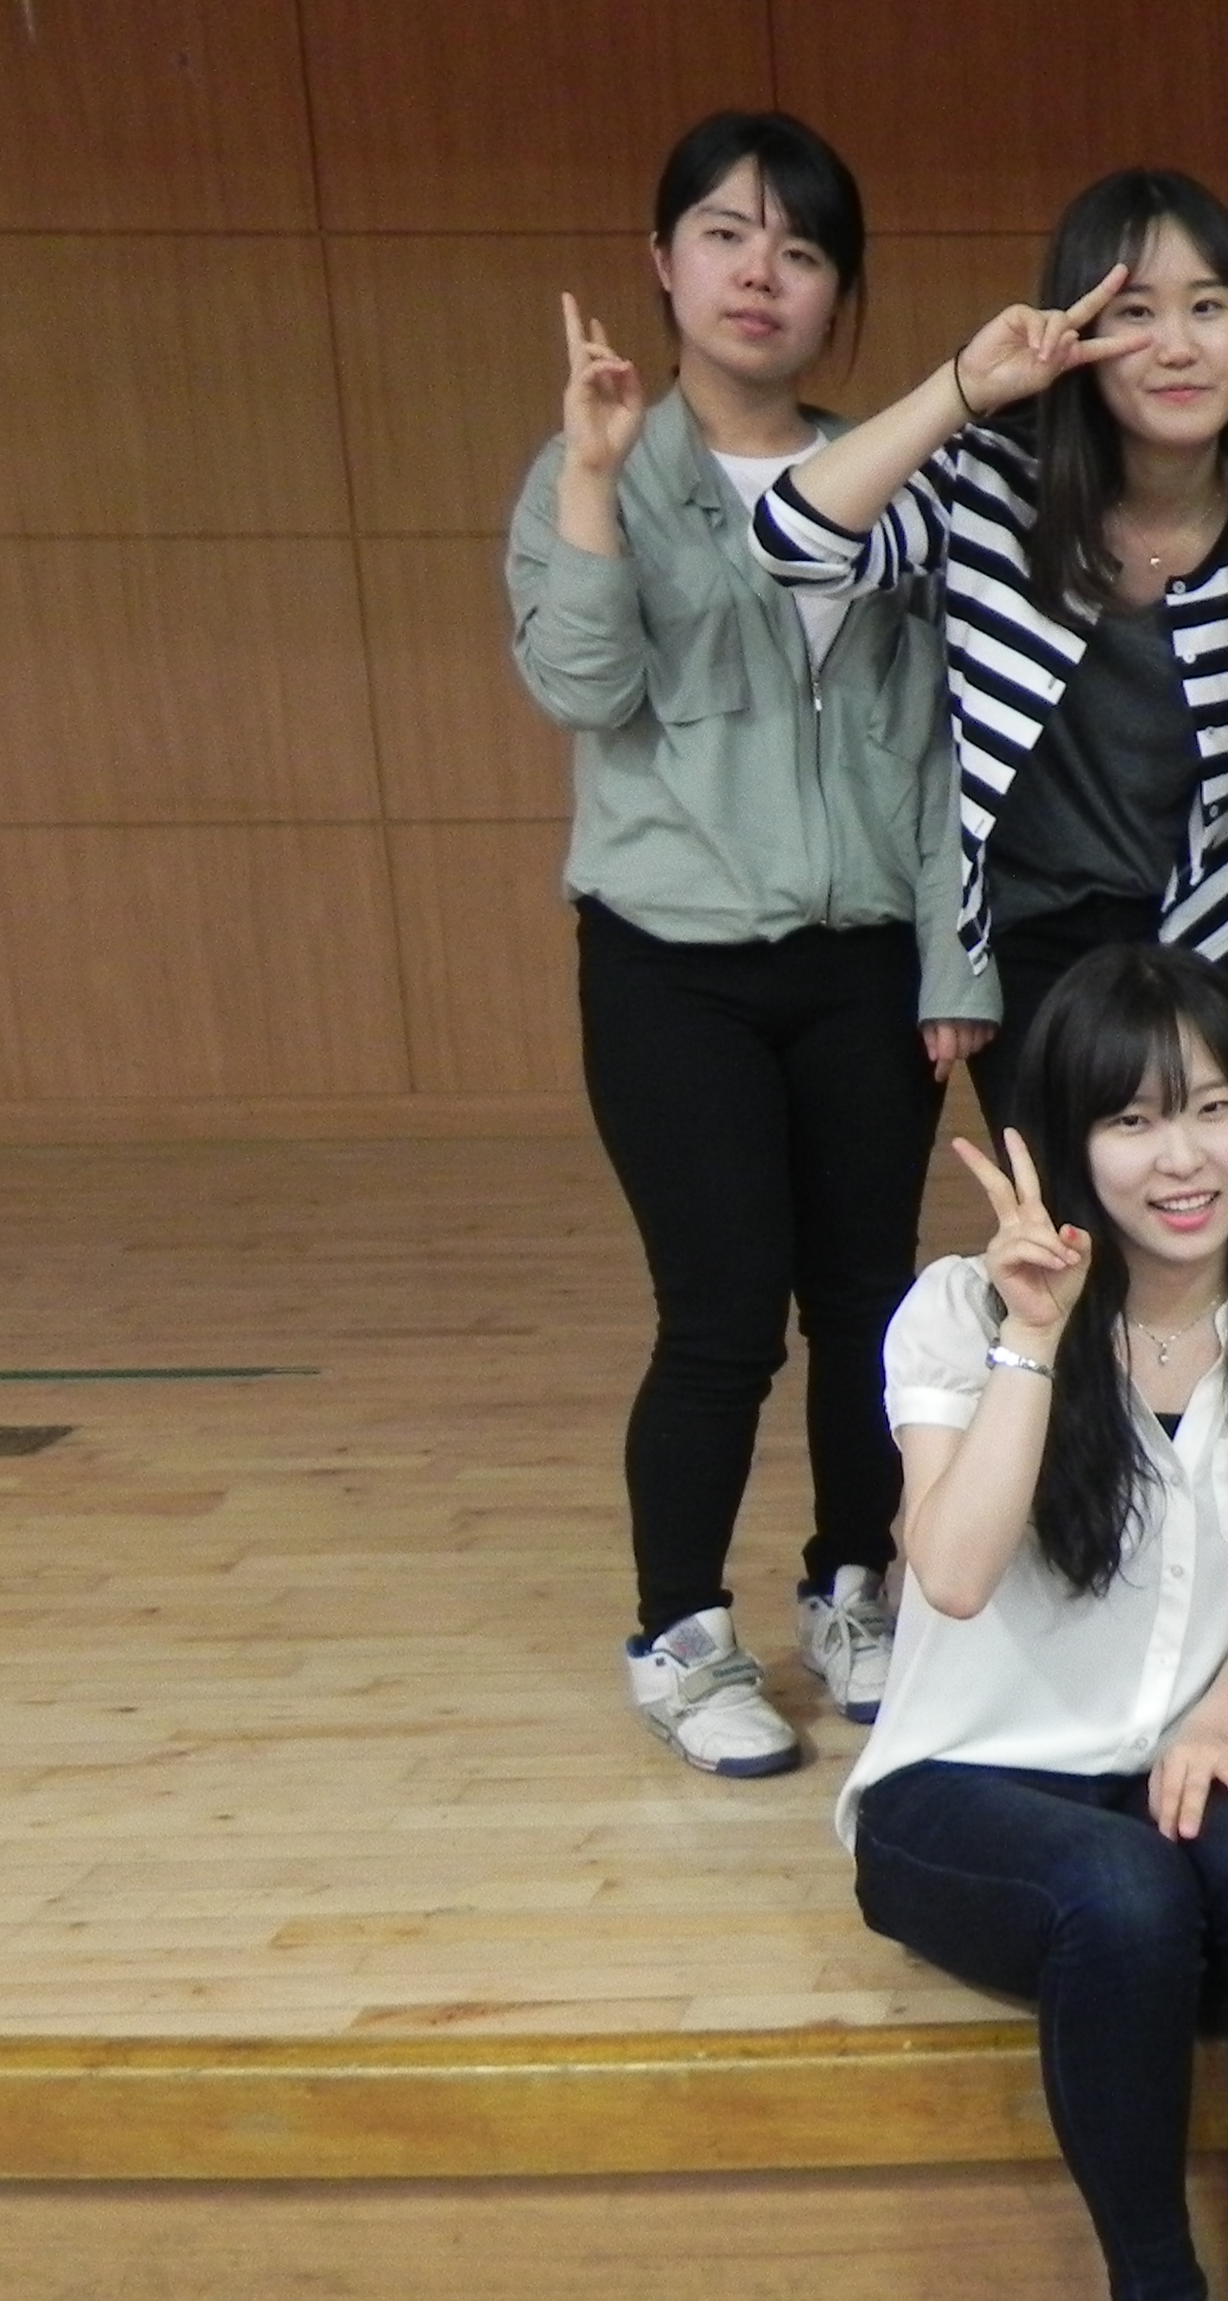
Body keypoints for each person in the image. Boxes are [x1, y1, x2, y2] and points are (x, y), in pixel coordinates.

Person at [843, 944, 1228, 2301]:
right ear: (1069, 1144)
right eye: (1133, 1121)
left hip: (1174, 1758)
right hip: (962, 1790)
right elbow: (948, 1570)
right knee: (1124, 1900)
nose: (1181, 1156)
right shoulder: (959, 1312)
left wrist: (1220, 1716)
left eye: (1212, 1108)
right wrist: (1033, 1335)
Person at [508, 110, 991, 1774]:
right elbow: (581, 688)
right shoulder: (600, 470)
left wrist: (956, 959)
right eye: (724, 235)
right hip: (672, 964)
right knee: (719, 1314)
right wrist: (589, 475)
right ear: (662, 263)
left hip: (866, 959)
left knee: (866, 1302)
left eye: (799, 249)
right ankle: (680, 1634)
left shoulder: (892, 473)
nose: (759, 274)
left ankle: (852, 1587)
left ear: (839, 288)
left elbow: (946, 744)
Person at [752, 167, 1228, 1123]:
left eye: (1208, 306)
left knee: (1198, 1194)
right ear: (1079, 337)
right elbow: (795, 542)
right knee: (1064, 1203)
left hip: (1200, 931)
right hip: (1027, 937)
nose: (1178, 346)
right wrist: (964, 388)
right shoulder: (993, 484)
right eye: (1137, 313)